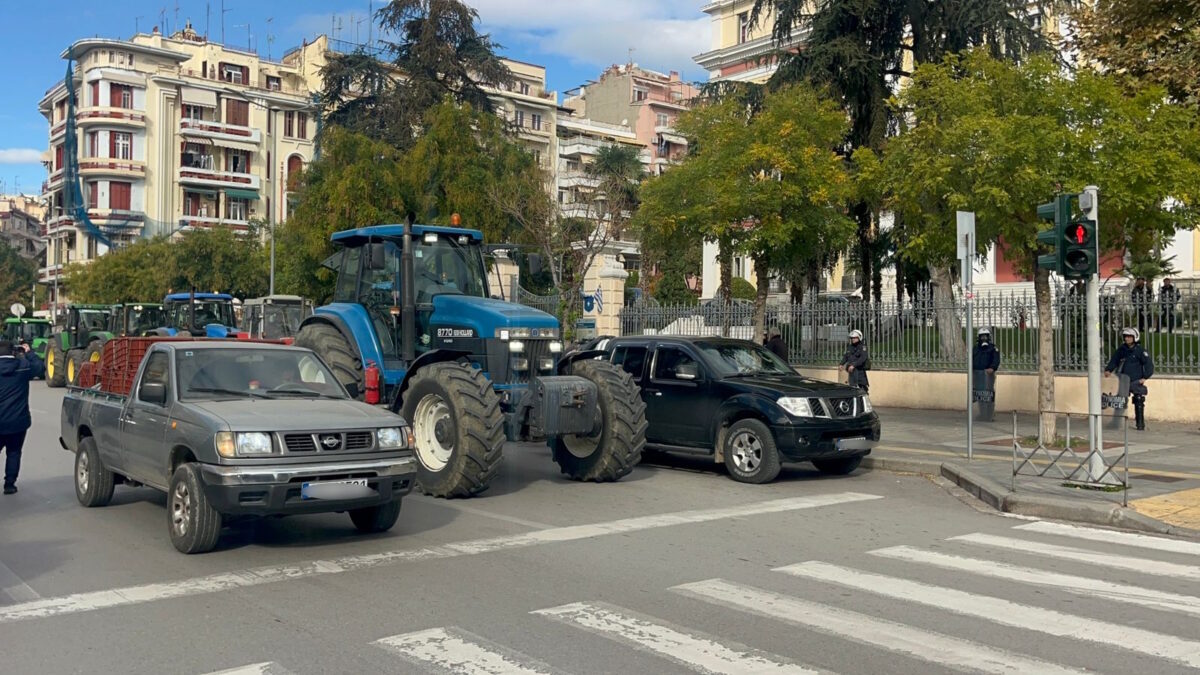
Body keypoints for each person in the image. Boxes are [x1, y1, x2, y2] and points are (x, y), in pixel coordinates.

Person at [0, 339, 46, 494]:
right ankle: (9, 485)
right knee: (14, 452)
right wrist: (29, 352)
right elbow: (40, 368)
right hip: (18, 421)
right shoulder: (23, 366)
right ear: (14, 351)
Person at [1105, 327, 1154, 431]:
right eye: (1125, 336)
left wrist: (1144, 377)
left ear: (1135, 337)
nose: (1127, 339)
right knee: (1120, 401)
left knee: (1138, 400)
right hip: (1123, 380)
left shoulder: (1140, 351)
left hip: (1136, 380)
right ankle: (1116, 423)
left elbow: (1149, 365)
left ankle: (1140, 424)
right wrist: (1109, 370)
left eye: (1129, 337)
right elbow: (1115, 359)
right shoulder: (1122, 349)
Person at [972, 328, 1001, 421]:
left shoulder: (993, 348)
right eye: (982, 336)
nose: (984, 338)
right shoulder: (975, 348)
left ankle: (989, 416)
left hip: (988, 376)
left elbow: (996, 359)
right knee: (979, 395)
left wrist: (992, 368)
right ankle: (982, 414)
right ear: (979, 337)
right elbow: (972, 359)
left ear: (988, 337)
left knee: (988, 395)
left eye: (986, 336)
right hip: (977, 375)